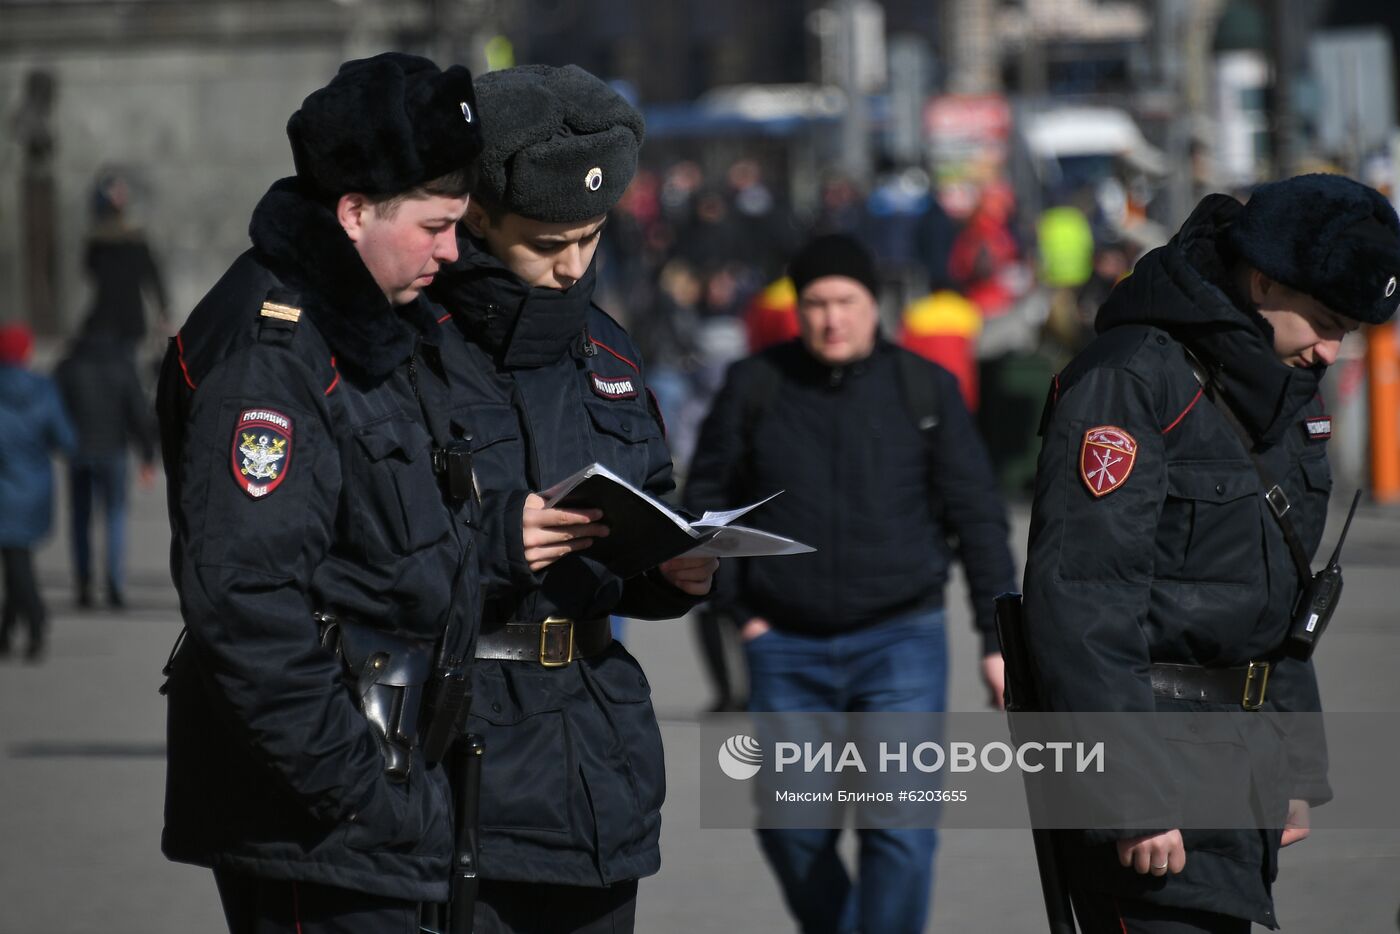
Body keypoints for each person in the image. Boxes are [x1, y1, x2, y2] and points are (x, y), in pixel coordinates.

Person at [155, 53, 482, 933]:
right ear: (353, 211)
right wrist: (360, 793)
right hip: (322, 819)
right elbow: (247, 601)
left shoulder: (371, 323)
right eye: (435, 225)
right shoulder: (274, 353)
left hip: (375, 800)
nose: (452, 251)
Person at [1021, 173, 1400, 932]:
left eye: (1347, 333)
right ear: (1263, 281)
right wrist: (1129, 796)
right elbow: (1084, 604)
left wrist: (1297, 765)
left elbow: (1285, 603)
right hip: (1150, 776)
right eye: (1324, 321)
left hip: (1241, 769)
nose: (1330, 351)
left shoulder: (1283, 389)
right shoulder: (1131, 381)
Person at [426, 64, 718, 934]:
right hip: (457, 752)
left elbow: (644, 501)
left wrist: (674, 571)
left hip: (595, 759)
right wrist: (493, 541)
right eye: (548, 243)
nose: (572, 267)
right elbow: (353, 542)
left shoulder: (611, 353)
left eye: (590, 239)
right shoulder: (410, 343)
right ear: (478, 216)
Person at [684, 233, 1017, 934]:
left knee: (899, 831)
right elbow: (703, 507)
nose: (832, 318)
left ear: (875, 306)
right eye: (816, 304)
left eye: (847, 302)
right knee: (791, 832)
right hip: (784, 646)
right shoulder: (756, 385)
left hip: (902, 642)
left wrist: (998, 638)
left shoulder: (923, 387)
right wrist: (738, 610)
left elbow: (979, 518)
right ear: (795, 309)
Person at [54, 323, 158, 609]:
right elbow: (137, 411)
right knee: (114, 516)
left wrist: (58, 442)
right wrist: (148, 455)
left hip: (79, 451)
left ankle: (84, 582)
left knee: (80, 519)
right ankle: (114, 583)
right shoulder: (122, 366)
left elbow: (54, 408)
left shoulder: (68, 367)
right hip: (114, 450)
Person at [0, 322, 75, 662]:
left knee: (15, 560)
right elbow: (65, 439)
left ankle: (33, 619)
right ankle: (15, 625)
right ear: (27, 353)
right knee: (18, 558)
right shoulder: (44, 390)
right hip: (33, 487)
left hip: (4, 488)